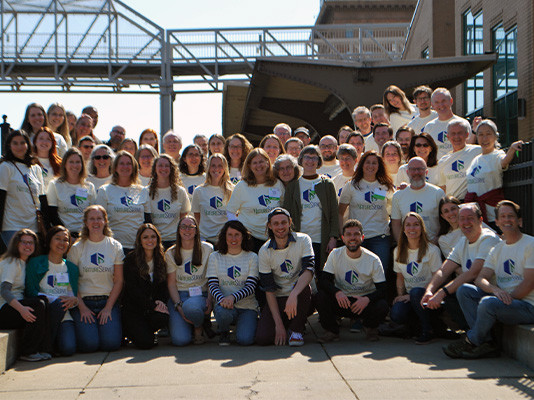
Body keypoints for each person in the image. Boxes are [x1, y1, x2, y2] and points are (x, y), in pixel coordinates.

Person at [444, 200, 534, 359]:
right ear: (497, 222)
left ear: (519, 221)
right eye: (503, 217)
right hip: (502, 301)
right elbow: (480, 279)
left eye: (511, 216)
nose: (507, 220)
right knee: (465, 290)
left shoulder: (530, 244)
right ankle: (485, 343)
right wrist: (495, 290)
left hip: (527, 306)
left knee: (488, 303)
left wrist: (505, 299)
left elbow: (529, 283)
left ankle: (471, 341)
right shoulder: (497, 248)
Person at [421, 203, 500, 331]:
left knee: (462, 290)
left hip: (495, 291)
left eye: (470, 218)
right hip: (477, 291)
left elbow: (473, 273)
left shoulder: (488, 238)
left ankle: (480, 340)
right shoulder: (463, 241)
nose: (466, 222)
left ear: (480, 220)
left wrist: (441, 292)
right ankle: (472, 335)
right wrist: (430, 290)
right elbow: (443, 270)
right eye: (462, 218)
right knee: (451, 297)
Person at [316, 219, 389, 342]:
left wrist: (367, 299)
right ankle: (331, 331)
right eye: (349, 234)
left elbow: (383, 289)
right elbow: (324, 281)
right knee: (320, 297)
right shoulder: (335, 254)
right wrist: (337, 292)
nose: (352, 238)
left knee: (382, 305)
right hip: (342, 300)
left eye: (356, 234)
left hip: (363, 303)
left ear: (362, 237)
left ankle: (370, 328)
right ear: (343, 238)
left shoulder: (373, 259)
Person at [68, 205, 124, 352]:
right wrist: (82, 308)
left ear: (105, 221)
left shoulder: (115, 246)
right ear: (86, 222)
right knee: (89, 345)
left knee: (111, 344)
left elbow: (118, 280)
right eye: (91, 219)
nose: (96, 222)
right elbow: (71, 283)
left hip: (107, 301)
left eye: (99, 218)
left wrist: (108, 308)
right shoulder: (77, 248)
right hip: (84, 302)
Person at [256, 208, 314, 346]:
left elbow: (309, 270)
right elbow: (269, 289)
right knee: (262, 339)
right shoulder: (264, 251)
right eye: (276, 224)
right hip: (278, 298)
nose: (280, 227)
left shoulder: (303, 239)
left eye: (283, 222)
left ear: (290, 222)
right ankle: (286, 325)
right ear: (270, 226)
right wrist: (278, 326)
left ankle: (296, 330)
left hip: (299, 295)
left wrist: (293, 294)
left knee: (305, 288)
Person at [283, 145, 339, 271]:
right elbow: (287, 214)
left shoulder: (327, 184)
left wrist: (333, 238)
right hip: (300, 238)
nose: (310, 161)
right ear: (301, 160)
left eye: (314, 158)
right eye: (307, 157)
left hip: (321, 238)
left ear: (319, 161)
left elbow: (334, 213)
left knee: (321, 273)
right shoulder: (293, 186)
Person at [26, 226, 78, 356]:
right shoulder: (36, 263)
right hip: (43, 313)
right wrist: (53, 299)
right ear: (49, 241)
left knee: (69, 348)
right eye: (58, 239)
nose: (62, 243)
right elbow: (30, 291)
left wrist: (74, 300)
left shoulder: (71, 268)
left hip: (63, 313)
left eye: (65, 240)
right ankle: (46, 347)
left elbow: (72, 293)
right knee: (58, 304)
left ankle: (50, 343)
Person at [391, 213, 442, 344]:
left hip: (428, 296)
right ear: (403, 229)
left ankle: (428, 330)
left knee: (415, 293)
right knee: (396, 313)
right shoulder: (398, 251)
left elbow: (438, 278)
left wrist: (412, 296)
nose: (412, 228)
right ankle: (416, 326)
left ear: (421, 227)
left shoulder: (432, 250)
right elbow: (400, 277)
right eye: (408, 225)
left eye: (416, 224)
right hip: (410, 295)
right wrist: (400, 296)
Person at [339, 151, 394, 272]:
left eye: (374, 163)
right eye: (367, 162)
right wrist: (342, 235)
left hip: (380, 236)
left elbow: (392, 209)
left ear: (379, 166)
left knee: (379, 272)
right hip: (356, 238)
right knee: (357, 272)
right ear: (362, 165)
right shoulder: (352, 185)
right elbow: (340, 212)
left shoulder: (384, 186)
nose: (371, 166)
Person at [207, 220, 259, 346]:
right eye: (230, 235)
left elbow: (251, 286)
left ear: (243, 236)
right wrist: (223, 300)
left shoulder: (252, 257)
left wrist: (233, 298)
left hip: (247, 307)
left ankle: (244, 325)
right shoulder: (215, 256)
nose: (233, 238)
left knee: (245, 340)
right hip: (224, 305)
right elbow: (212, 284)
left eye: (237, 234)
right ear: (224, 237)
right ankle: (224, 330)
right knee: (223, 313)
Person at [0, 229, 49, 361]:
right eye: (24, 242)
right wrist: (22, 310)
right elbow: (4, 291)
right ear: (16, 244)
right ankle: (28, 352)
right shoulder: (11, 262)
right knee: (38, 305)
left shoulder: (24, 262)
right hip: (3, 310)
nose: (28, 246)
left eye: (31, 243)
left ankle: (42, 348)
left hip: (14, 306)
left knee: (43, 300)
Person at [465, 119, 523, 227]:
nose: (484, 138)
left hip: (491, 215)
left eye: (488, 134)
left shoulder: (497, 155)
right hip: (475, 214)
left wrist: (512, 149)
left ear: (495, 137)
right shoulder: (475, 159)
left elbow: (504, 162)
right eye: (481, 134)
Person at [166, 216, 213, 346]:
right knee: (180, 340)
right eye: (183, 226)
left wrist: (210, 299)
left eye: (191, 227)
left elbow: (211, 279)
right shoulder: (171, 253)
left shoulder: (207, 249)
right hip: (179, 295)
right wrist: (178, 306)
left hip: (200, 294)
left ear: (196, 230)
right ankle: (193, 323)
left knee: (192, 308)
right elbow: (171, 283)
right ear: (178, 230)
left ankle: (198, 327)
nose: (187, 230)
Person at [226, 148, 285, 252]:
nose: (259, 165)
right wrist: (240, 231)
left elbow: (284, 207)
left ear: (267, 163)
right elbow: (230, 211)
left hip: (275, 237)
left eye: (261, 161)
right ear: (249, 165)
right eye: (255, 163)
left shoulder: (277, 184)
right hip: (250, 239)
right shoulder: (242, 186)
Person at [122, 224, 169, 349]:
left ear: (157, 239)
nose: (150, 240)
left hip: (150, 309)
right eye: (145, 237)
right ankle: (129, 330)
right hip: (134, 309)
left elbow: (163, 286)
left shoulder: (161, 259)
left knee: (163, 317)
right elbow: (133, 291)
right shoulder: (130, 260)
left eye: (153, 237)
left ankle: (143, 331)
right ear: (139, 240)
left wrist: (160, 302)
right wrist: (153, 306)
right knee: (146, 344)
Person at [96, 151, 149, 253]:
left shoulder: (142, 191)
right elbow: (99, 221)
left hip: (138, 248)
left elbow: (147, 220)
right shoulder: (105, 190)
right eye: (121, 163)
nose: (125, 166)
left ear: (134, 167)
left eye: (128, 164)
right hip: (113, 248)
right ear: (115, 167)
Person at [0, 130, 46, 248]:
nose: (19, 146)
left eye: (22, 143)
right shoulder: (6, 167)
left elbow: (41, 199)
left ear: (28, 145)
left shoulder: (36, 169)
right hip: (12, 226)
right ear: (9, 146)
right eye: (15, 143)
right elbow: (1, 198)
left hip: (33, 227)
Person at [391, 157, 445, 243]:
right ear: (407, 172)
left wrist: (437, 241)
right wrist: (402, 245)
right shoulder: (398, 196)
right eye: (413, 169)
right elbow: (396, 224)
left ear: (426, 172)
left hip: (432, 245)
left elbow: (444, 222)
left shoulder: (438, 193)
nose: (416, 172)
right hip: (408, 247)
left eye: (420, 169)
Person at [47, 148, 97, 238]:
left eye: (78, 162)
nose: (75, 165)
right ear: (65, 164)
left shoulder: (89, 186)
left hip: (84, 236)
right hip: (63, 237)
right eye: (71, 162)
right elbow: (52, 215)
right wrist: (67, 235)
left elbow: (92, 214)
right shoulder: (55, 185)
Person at [147, 154, 190, 249]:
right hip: (154, 241)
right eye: (160, 165)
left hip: (175, 241)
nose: (164, 168)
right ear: (155, 169)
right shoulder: (146, 192)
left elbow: (183, 217)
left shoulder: (180, 192)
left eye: (167, 166)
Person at [192, 154, 234, 245]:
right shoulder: (199, 191)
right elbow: (197, 217)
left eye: (220, 166)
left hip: (226, 240)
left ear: (225, 168)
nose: (216, 169)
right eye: (213, 165)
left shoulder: (233, 190)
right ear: (208, 168)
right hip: (205, 240)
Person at [438, 119, 482, 201]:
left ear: (467, 135)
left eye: (460, 133)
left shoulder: (478, 151)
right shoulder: (443, 161)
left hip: (473, 203)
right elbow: (442, 188)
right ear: (448, 137)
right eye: (453, 134)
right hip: (453, 205)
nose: (456, 137)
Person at [423, 88, 469, 159]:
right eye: (437, 102)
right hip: (438, 168)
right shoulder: (429, 127)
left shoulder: (463, 123)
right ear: (432, 105)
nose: (441, 105)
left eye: (443, 101)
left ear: (451, 101)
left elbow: (469, 147)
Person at [32, 127, 62, 191]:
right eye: (41, 138)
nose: (44, 142)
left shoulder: (60, 164)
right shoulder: (30, 162)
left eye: (48, 139)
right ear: (35, 141)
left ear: (52, 143)